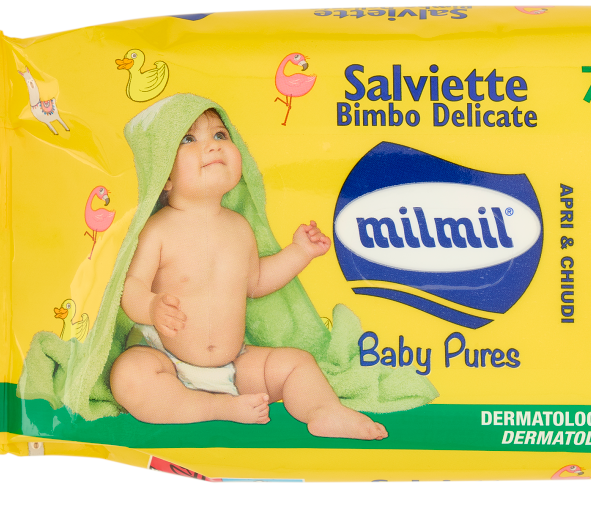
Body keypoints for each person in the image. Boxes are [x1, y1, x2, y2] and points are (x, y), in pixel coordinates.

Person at [109, 109, 388, 439]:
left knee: (298, 363)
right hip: (165, 359)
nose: (212, 145)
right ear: (164, 176)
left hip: (235, 365)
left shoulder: (239, 227)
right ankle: (215, 408)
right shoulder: (158, 230)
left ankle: (324, 412)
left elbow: (256, 282)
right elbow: (132, 286)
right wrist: (151, 307)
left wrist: (299, 252)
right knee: (128, 376)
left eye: (220, 135)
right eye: (189, 139)